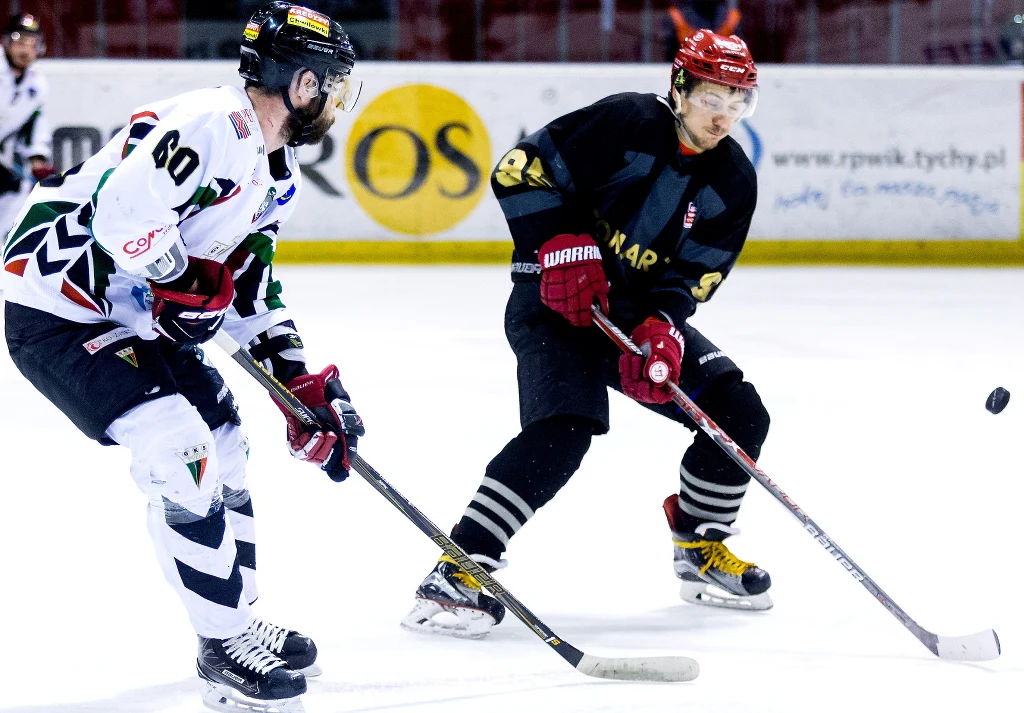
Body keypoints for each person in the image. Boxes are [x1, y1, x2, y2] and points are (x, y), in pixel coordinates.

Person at [3, 3, 363, 711]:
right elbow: (121, 217)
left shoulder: (276, 172)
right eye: (330, 83)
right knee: (181, 448)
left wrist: (299, 383)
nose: (332, 100)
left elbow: (249, 280)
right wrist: (178, 274)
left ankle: (237, 617)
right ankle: (222, 645)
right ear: (300, 85)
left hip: (128, 312)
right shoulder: (212, 124)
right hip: (56, 307)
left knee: (226, 440)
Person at [402, 30, 770, 640]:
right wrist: (555, 241)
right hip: (554, 305)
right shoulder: (627, 121)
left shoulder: (733, 179)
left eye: (738, 103)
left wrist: (662, 326)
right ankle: (460, 568)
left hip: (630, 317)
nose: (723, 115)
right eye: (712, 97)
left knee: (738, 411)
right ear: (680, 88)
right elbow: (519, 171)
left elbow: (695, 273)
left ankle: (699, 545)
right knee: (563, 430)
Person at [0, 13, 54, 240]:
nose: (26, 50)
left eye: (32, 44)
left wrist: (37, 154)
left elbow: (33, 123)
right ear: (6, 42)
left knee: (18, 190)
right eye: (20, 41)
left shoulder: (37, 85)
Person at [665, 1, 741, 61]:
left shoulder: (731, 17)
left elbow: (739, 56)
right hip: (687, 74)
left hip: (725, 76)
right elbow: (668, 61)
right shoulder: (677, 16)